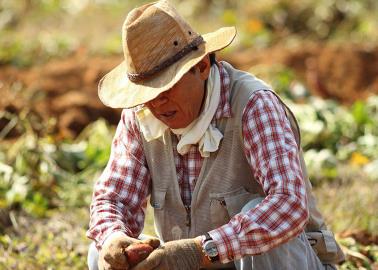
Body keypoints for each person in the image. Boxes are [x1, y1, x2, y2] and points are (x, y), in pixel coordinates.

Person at [86, 1, 345, 269]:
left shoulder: (253, 105)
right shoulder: (140, 117)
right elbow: (114, 198)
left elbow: (289, 204)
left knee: (264, 219)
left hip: (287, 262)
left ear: (201, 68)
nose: (157, 103)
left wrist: (200, 251)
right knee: (102, 254)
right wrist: (113, 238)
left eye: (166, 87)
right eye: (148, 93)